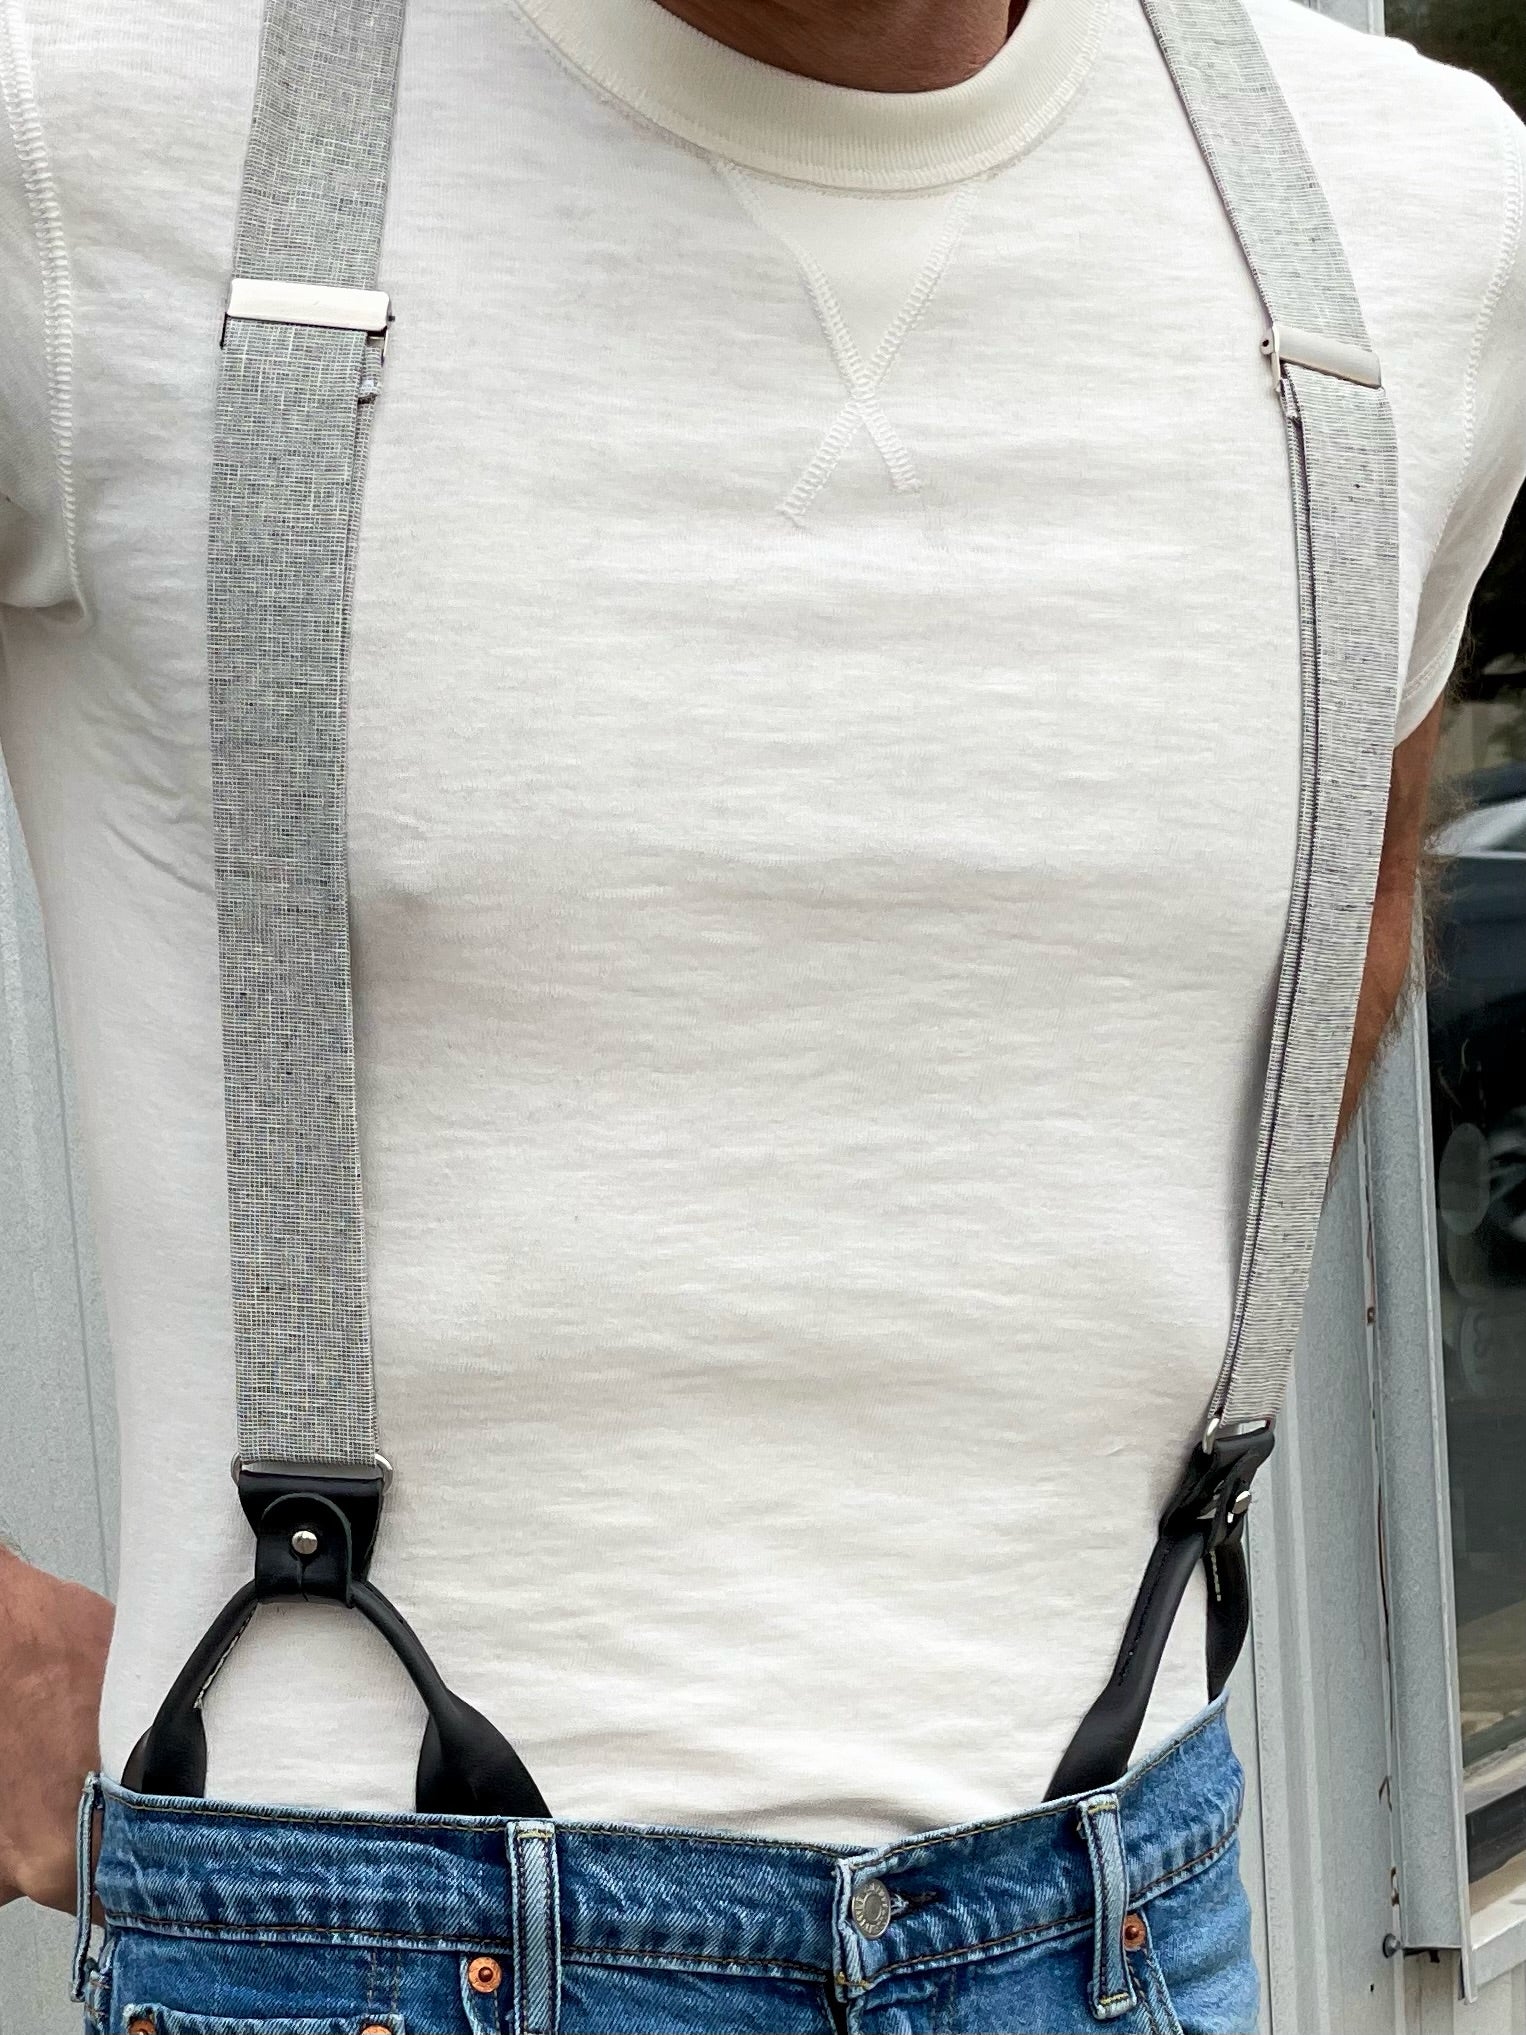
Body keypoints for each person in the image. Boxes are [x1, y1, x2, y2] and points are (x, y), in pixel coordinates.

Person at [0, 0, 1522, 2026]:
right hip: (363, 1946)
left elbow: (1363, 891)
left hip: (1125, 1924)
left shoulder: (1410, 210)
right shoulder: (79, 141)